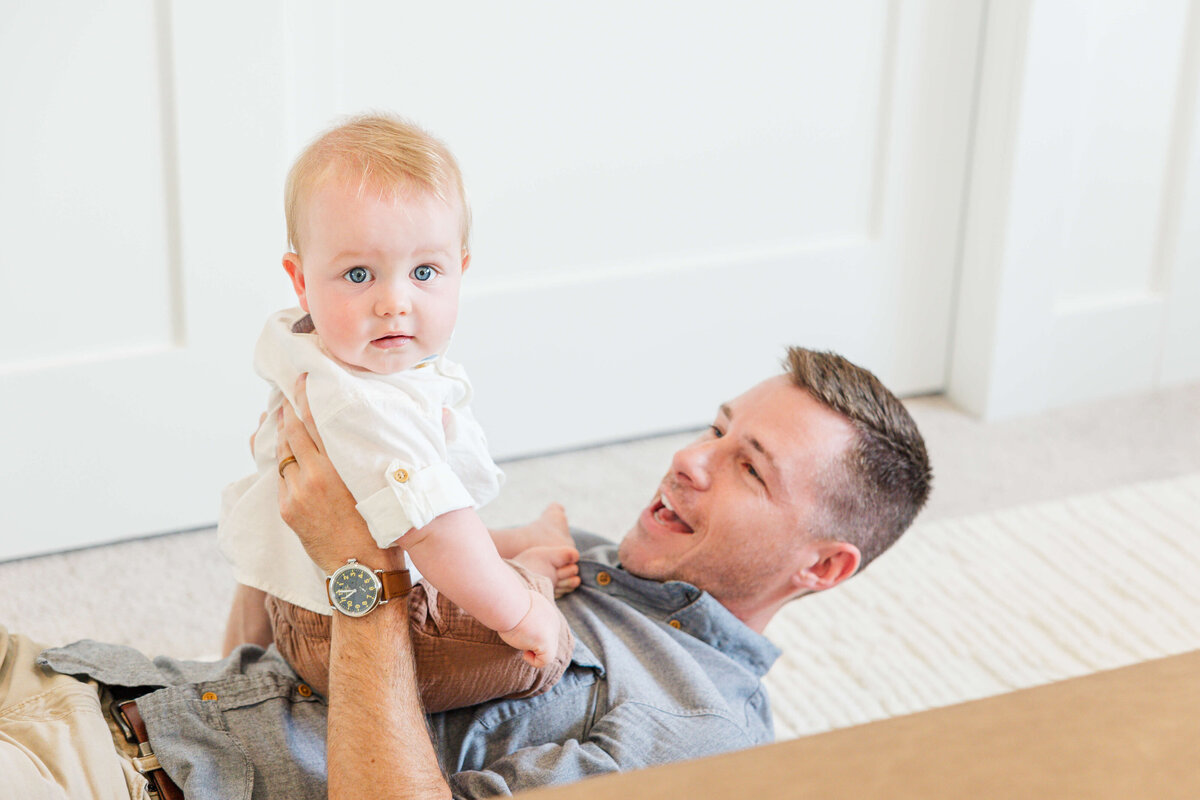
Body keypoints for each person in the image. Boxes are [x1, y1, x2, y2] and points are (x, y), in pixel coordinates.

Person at [0, 347, 931, 799]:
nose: (693, 458)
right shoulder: (592, 558)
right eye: (719, 427)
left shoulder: (693, 738)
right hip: (101, 684)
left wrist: (361, 576)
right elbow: (278, 677)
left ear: (824, 566)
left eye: (749, 467)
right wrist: (304, 500)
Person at [216, 113, 576, 707]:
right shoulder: (362, 401)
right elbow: (431, 526)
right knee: (516, 654)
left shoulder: (312, 347)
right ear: (301, 280)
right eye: (359, 274)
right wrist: (520, 611)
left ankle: (509, 541)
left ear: (460, 269)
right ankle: (528, 564)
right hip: (344, 624)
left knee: (440, 522)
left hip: (299, 588)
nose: (394, 302)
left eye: (424, 272)